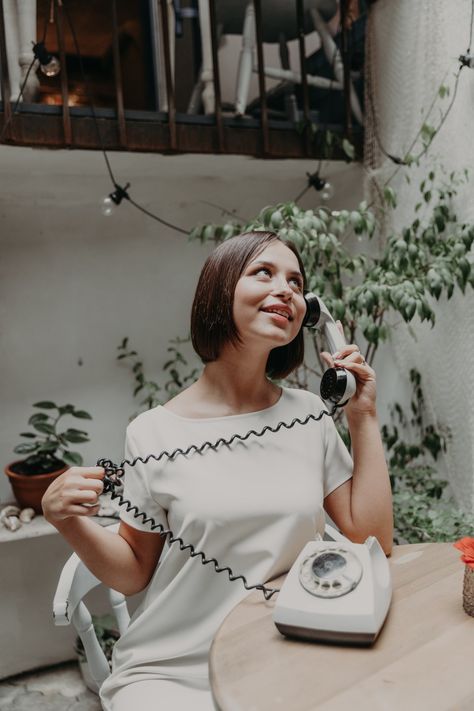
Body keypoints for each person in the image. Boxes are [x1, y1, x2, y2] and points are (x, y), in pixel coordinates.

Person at [42, 231, 393, 710]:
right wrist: (67, 520)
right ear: (220, 290)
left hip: (289, 645)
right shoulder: (153, 432)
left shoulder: (310, 415)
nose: (287, 289)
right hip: (174, 666)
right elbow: (134, 572)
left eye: (296, 281)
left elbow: (372, 540)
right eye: (263, 272)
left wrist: (362, 414)